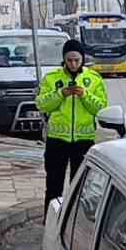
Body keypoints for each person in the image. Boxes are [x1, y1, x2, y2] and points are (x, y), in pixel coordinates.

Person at [35, 39, 107, 216]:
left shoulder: (94, 79)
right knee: (53, 186)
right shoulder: (52, 79)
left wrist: (85, 95)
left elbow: (101, 108)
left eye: (77, 60)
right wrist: (61, 94)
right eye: (69, 60)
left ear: (82, 59)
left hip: (83, 141)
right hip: (57, 141)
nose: (73, 64)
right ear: (64, 60)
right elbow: (42, 104)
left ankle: (74, 223)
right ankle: (51, 222)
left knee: (80, 187)